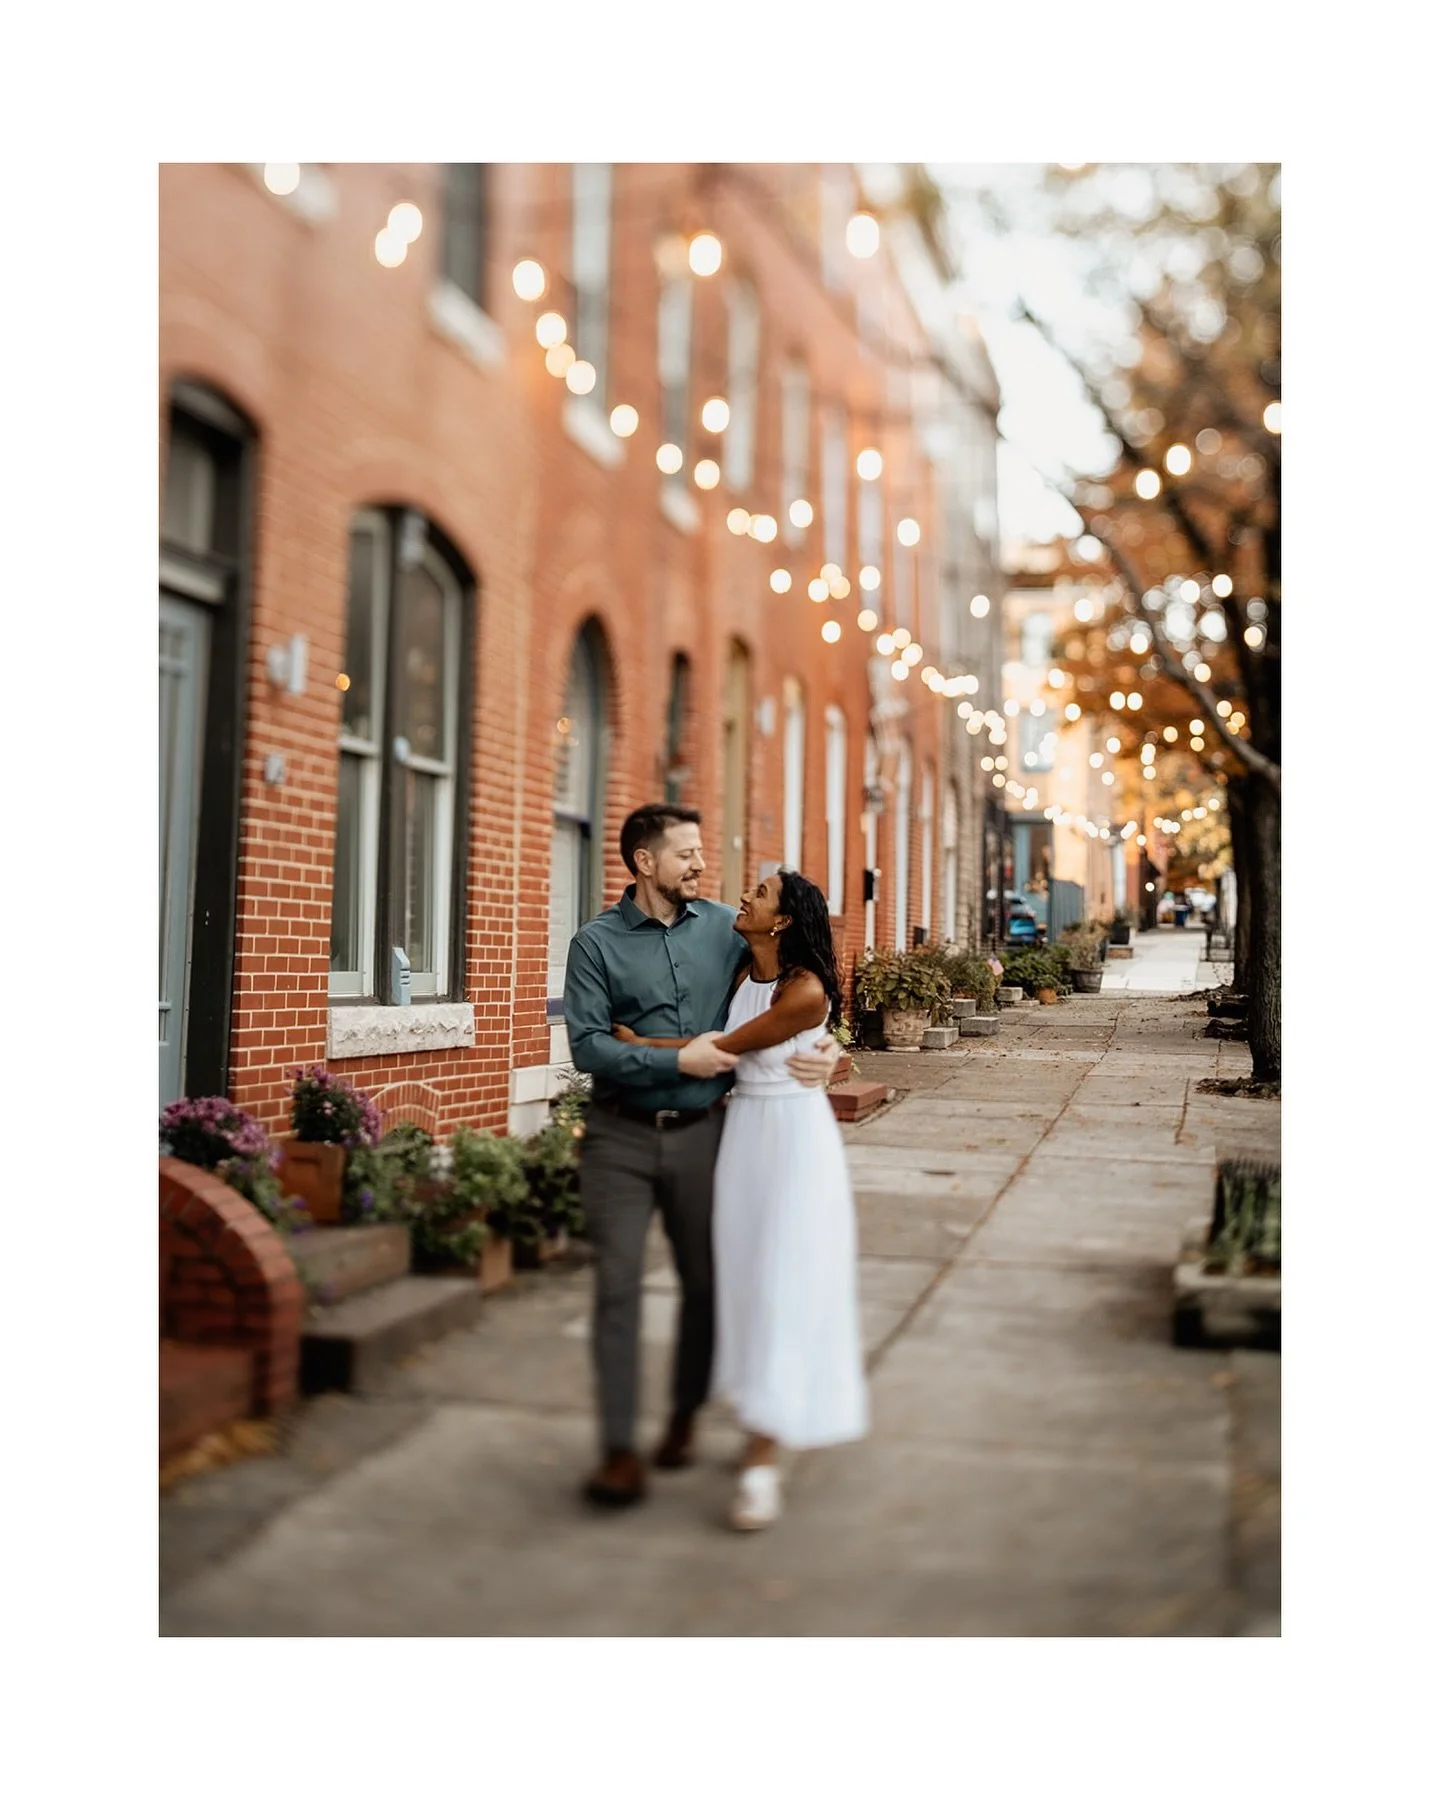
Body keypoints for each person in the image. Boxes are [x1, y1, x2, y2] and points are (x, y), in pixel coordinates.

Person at [562, 804, 841, 1510]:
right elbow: (589, 1047)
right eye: (686, 853)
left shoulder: (727, 929)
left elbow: (801, 991)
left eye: (700, 851)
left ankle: (684, 1417)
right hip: (619, 1136)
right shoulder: (594, 944)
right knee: (618, 1287)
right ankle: (620, 1449)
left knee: (707, 1287)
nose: (701, 864)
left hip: (708, 1137)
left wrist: (833, 1052)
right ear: (644, 863)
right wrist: (673, 1058)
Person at [614, 868, 868, 1531]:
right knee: (746, 1288)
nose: (745, 897)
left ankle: (761, 1464)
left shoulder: (804, 991)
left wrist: (644, 1049)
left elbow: (725, 1049)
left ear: (780, 921)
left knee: (784, 1285)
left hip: (793, 1144)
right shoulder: (741, 970)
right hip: (741, 1140)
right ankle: (759, 1416)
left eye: (759, 894)